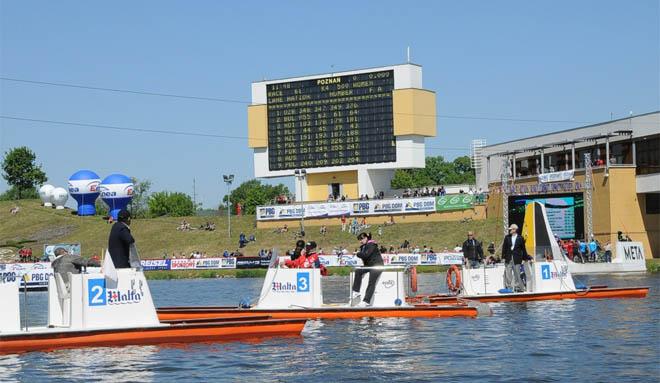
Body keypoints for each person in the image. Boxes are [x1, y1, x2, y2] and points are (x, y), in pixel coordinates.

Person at [351, 232, 384, 307]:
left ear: (366, 238)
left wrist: (357, 253)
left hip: (377, 265)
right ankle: (356, 291)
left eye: (361, 239)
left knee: (371, 282)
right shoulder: (363, 246)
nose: (360, 241)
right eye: (359, 240)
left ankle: (366, 301)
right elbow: (365, 259)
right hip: (369, 265)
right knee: (358, 271)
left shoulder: (371, 244)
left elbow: (366, 255)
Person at [502, 224, 530, 292]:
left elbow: (523, 249)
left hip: (517, 258)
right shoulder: (507, 237)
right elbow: (504, 247)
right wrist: (503, 257)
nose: (509, 231)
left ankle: (517, 287)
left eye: (510, 229)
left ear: (514, 230)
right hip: (508, 258)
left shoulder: (520, 238)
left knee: (517, 273)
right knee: (508, 273)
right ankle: (509, 287)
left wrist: (525, 258)